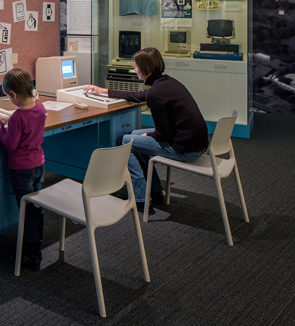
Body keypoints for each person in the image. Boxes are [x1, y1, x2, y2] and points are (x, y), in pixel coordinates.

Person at [83, 47, 208, 214]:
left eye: (136, 67)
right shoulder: (168, 83)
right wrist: (104, 91)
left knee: (126, 141)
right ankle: (155, 191)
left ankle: (141, 199)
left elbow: (163, 135)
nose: (135, 70)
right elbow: (139, 96)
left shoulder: (156, 94)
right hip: (195, 143)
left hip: (184, 149)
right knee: (134, 135)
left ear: (145, 69)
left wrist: (148, 135)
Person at [0, 68, 47, 270]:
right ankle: (38, 240)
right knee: (36, 205)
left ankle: (30, 253)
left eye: (9, 97)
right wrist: (11, 121)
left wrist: (2, 128)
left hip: (21, 169)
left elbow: (10, 144)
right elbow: (28, 123)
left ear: (14, 95)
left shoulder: (17, 117)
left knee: (26, 209)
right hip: (38, 165)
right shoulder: (40, 108)